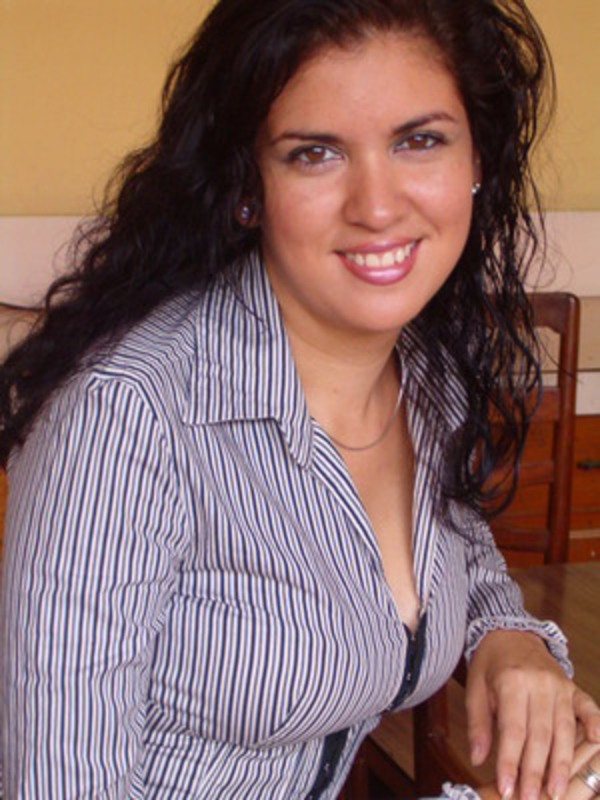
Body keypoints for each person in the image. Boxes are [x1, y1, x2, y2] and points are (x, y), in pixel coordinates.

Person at [0, 0, 599, 798]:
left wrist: (509, 637)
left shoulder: (425, 373)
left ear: (477, 161)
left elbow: (458, 547)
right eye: (314, 154)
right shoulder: (126, 420)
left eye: (419, 140)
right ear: (247, 186)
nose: (377, 205)